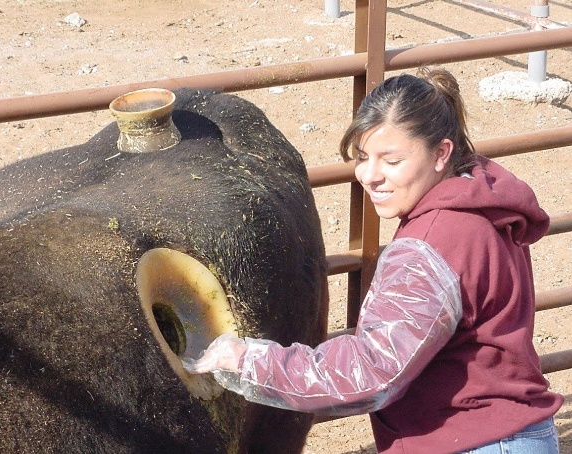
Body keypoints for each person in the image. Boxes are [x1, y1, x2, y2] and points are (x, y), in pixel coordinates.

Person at [182, 67, 564, 453]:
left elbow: (373, 371)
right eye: (363, 157)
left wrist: (249, 362)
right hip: (516, 434)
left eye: (392, 161)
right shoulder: (481, 202)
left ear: (441, 153)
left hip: (471, 441)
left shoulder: (431, 245)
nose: (370, 176)